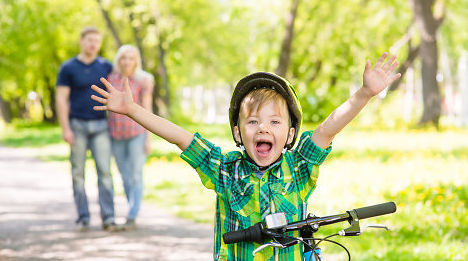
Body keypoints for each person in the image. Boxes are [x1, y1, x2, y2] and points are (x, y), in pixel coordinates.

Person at [91, 52, 401, 259]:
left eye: (274, 122)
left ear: (290, 135)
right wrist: (132, 109)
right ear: (238, 134)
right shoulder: (225, 169)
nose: (262, 128)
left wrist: (363, 94)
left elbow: (327, 130)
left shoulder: (300, 168)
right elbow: (182, 139)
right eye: (252, 122)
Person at [56, 26, 118, 231]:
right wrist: (65, 128)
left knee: (105, 172)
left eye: (97, 41)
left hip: (101, 125)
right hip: (77, 126)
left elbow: (126, 78)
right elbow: (61, 99)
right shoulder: (68, 68)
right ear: (81, 41)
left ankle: (108, 217)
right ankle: (83, 217)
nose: (93, 44)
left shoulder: (106, 66)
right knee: (78, 173)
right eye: (90, 40)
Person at [106, 45, 154, 230]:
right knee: (124, 176)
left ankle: (132, 215)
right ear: (119, 60)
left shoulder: (144, 80)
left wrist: (149, 138)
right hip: (116, 134)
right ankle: (132, 208)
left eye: (131, 58)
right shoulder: (111, 79)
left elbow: (147, 110)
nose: (127, 61)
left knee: (135, 175)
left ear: (136, 61)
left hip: (137, 134)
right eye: (123, 58)